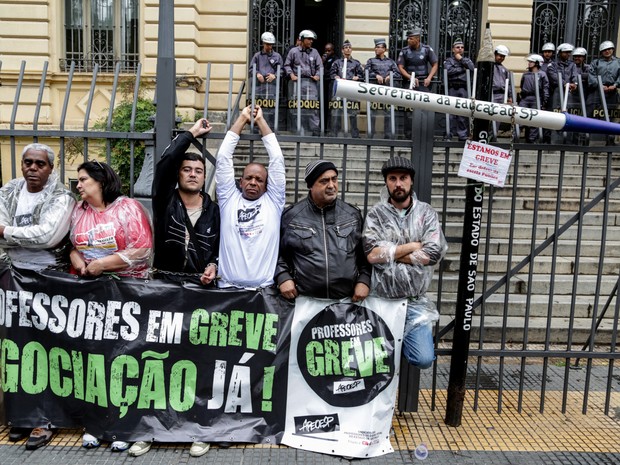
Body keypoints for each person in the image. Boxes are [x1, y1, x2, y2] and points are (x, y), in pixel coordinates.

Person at [69, 161, 152, 454]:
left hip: (126, 296)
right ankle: (95, 424)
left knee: (125, 360)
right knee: (94, 360)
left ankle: (124, 425)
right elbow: (72, 245)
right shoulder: (79, 211)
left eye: (83, 180)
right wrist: (79, 262)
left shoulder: (127, 208)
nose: (78, 185)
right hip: (91, 298)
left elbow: (141, 249)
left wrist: (102, 264)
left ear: (100, 182)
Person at [0, 143, 75, 450]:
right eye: (27, 162)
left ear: (50, 168)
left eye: (39, 164)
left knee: (46, 350)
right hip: (12, 277)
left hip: (48, 280)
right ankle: (20, 416)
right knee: (15, 349)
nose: (32, 168)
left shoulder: (61, 196)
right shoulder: (8, 191)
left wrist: (6, 233)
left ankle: (44, 419)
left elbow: (49, 236)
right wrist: (18, 238)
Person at [363, 156, 447, 369]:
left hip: (414, 303)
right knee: (374, 363)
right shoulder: (376, 215)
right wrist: (412, 246)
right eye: (393, 178)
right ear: (386, 182)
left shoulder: (426, 213)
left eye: (403, 178)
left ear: (411, 181)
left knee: (423, 358)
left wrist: (390, 252)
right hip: (380, 302)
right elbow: (371, 255)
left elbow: (432, 254)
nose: (398, 183)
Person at [276, 160, 371, 301]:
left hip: (346, 302)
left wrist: (364, 280)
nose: (331, 185)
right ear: (310, 185)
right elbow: (277, 254)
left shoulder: (352, 214)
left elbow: (364, 255)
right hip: (304, 302)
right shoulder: (291, 216)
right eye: (324, 181)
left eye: (334, 179)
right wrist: (282, 277)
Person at [215, 105, 285, 289]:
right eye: (249, 178)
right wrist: (242, 119)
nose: (253, 182)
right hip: (226, 289)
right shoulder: (228, 198)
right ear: (240, 181)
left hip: (263, 293)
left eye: (259, 179)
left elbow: (277, 160)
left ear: (266, 184)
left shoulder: (274, 201)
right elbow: (223, 158)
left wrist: (260, 121)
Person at [152, 117, 220, 289]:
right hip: (164, 284)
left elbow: (219, 248)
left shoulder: (214, 211)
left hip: (201, 287)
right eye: (186, 169)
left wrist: (214, 266)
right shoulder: (165, 201)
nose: (192, 174)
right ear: (178, 174)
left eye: (198, 171)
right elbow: (166, 161)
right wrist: (192, 133)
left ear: (204, 177)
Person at [398, 28, 438, 139]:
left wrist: (429, 77)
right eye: (408, 38)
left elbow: (435, 64)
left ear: (417, 39)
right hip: (409, 83)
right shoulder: (405, 51)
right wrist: (410, 77)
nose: (408, 40)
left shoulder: (426, 49)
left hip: (422, 83)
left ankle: (424, 135)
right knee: (409, 110)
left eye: (410, 38)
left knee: (425, 109)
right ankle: (409, 135)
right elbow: (400, 67)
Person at [284, 29, 322, 136]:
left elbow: (320, 67)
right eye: (309, 39)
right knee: (297, 105)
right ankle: (298, 128)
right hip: (297, 83)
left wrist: (317, 75)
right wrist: (291, 75)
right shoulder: (294, 51)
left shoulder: (314, 52)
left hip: (311, 82)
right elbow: (287, 65)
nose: (311, 41)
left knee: (312, 105)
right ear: (302, 39)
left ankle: (315, 129)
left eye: (312, 39)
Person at [365, 37, 400, 138]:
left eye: (379, 47)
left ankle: (388, 135)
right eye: (375, 47)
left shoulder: (390, 62)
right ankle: (371, 134)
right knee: (372, 112)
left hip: (387, 91)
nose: (376, 49)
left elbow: (397, 73)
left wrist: (390, 76)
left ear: (384, 49)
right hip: (374, 91)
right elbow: (366, 71)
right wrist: (376, 76)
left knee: (388, 113)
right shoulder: (371, 61)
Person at [249, 31, 283, 129]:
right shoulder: (257, 56)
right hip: (259, 86)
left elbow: (282, 70)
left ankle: (271, 128)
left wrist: (275, 75)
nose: (270, 47)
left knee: (271, 107)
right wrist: (257, 73)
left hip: (272, 86)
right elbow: (251, 69)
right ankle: (256, 128)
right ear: (263, 43)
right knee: (258, 106)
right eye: (268, 44)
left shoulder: (277, 56)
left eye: (271, 45)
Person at [330, 39, 363, 138]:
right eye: (346, 48)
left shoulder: (356, 63)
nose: (348, 49)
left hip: (351, 89)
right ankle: (334, 133)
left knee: (353, 113)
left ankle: (354, 134)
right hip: (339, 89)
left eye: (349, 48)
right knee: (336, 112)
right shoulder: (337, 63)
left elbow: (361, 75)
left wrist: (357, 77)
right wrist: (336, 77)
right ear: (342, 50)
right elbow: (332, 73)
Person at [444, 38, 474, 141]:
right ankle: (449, 134)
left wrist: (461, 60)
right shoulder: (449, 60)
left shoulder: (466, 60)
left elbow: (471, 68)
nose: (460, 49)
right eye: (457, 47)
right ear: (453, 49)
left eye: (462, 47)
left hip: (463, 88)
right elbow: (448, 71)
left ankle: (462, 135)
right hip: (452, 88)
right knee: (450, 113)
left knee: (462, 113)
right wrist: (462, 69)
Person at [518, 54, 549, 143]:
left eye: (531, 62)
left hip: (537, 98)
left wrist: (544, 101)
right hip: (525, 97)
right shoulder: (525, 74)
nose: (529, 63)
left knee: (534, 119)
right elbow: (521, 85)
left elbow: (545, 88)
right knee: (519, 116)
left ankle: (531, 139)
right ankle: (516, 136)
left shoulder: (542, 74)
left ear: (537, 63)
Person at [547, 43, 579, 110]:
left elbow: (574, 75)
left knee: (568, 109)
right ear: (560, 53)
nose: (568, 54)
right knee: (556, 110)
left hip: (569, 91)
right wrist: (565, 83)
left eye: (569, 52)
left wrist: (575, 83)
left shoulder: (572, 64)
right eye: (566, 52)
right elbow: (554, 77)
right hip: (557, 91)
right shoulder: (552, 65)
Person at [322, 42, 338, 134]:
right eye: (326, 50)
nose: (327, 52)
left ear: (332, 50)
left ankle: (330, 129)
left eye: (329, 50)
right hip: (323, 84)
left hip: (331, 84)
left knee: (331, 107)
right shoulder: (323, 59)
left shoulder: (335, 59)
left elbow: (330, 72)